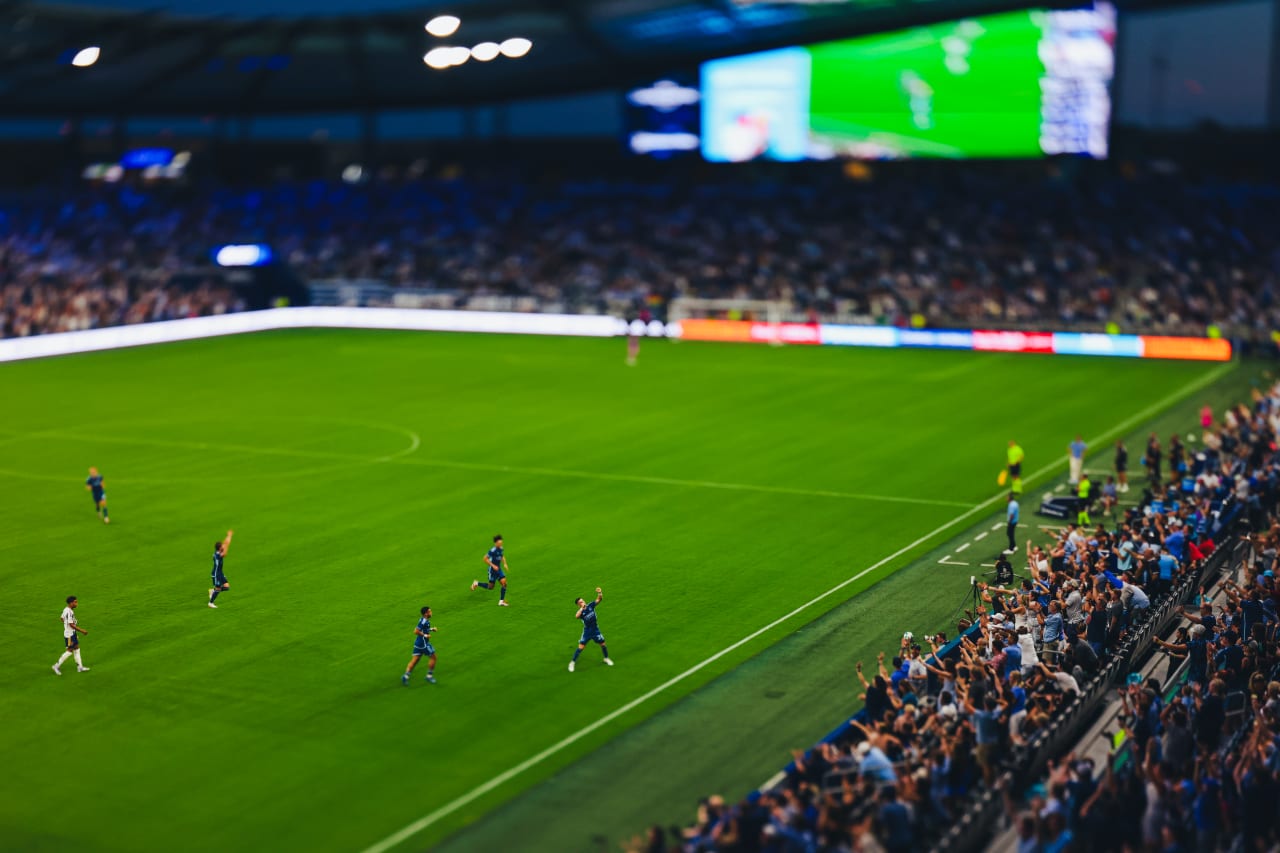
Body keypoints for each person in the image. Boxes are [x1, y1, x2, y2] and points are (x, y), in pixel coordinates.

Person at [569, 587, 613, 672]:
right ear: (579, 604)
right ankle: (572, 662)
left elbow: (599, 599)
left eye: (583, 600)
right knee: (581, 647)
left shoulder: (590, 606)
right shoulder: (581, 612)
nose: (583, 602)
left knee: (603, 644)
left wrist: (600, 592)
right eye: (581, 602)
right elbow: (576, 616)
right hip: (587, 632)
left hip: (595, 630)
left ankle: (606, 658)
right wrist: (582, 608)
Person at [53, 595, 89, 675]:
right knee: (69, 651)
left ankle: (80, 667)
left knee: (77, 648)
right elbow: (71, 625)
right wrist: (82, 631)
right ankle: (56, 666)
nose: (77, 604)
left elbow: (61, 618)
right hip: (69, 635)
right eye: (75, 602)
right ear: (71, 603)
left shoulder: (66, 610)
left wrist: (66, 624)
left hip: (72, 633)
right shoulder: (69, 612)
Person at [402, 606, 438, 685]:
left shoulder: (424, 620)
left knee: (415, 660)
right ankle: (429, 676)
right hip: (423, 644)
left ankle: (405, 676)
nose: (431, 613)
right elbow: (416, 631)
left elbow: (423, 629)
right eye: (430, 611)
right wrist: (425, 635)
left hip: (418, 643)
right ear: (426, 614)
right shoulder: (424, 621)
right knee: (434, 657)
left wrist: (432, 629)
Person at [471, 534, 510, 606]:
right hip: (492, 570)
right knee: (491, 587)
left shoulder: (501, 548)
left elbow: (502, 556)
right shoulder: (492, 551)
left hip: (498, 569)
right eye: (499, 543)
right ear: (496, 543)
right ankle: (476, 583)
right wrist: (493, 565)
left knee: (504, 583)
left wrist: (505, 563)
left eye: (501, 543)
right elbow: (485, 559)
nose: (500, 544)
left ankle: (501, 601)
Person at [207, 529, 234, 609]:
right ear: (219, 548)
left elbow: (225, 543)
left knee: (227, 587)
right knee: (218, 588)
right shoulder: (218, 555)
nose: (223, 545)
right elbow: (225, 552)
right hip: (216, 574)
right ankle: (210, 603)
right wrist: (227, 545)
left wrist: (229, 535)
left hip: (220, 573)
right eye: (222, 546)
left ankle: (213, 591)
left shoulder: (218, 550)